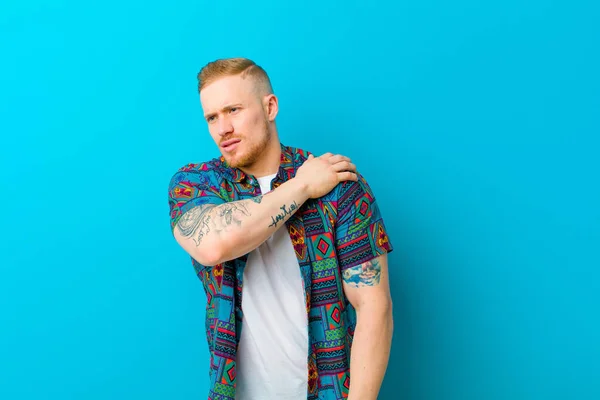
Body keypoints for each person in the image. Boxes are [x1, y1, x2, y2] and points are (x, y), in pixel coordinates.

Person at [167, 57, 394, 400]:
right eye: (212, 117)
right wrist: (301, 187)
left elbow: (374, 307)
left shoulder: (340, 187)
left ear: (269, 106)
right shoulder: (197, 185)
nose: (222, 128)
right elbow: (212, 245)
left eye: (233, 110)